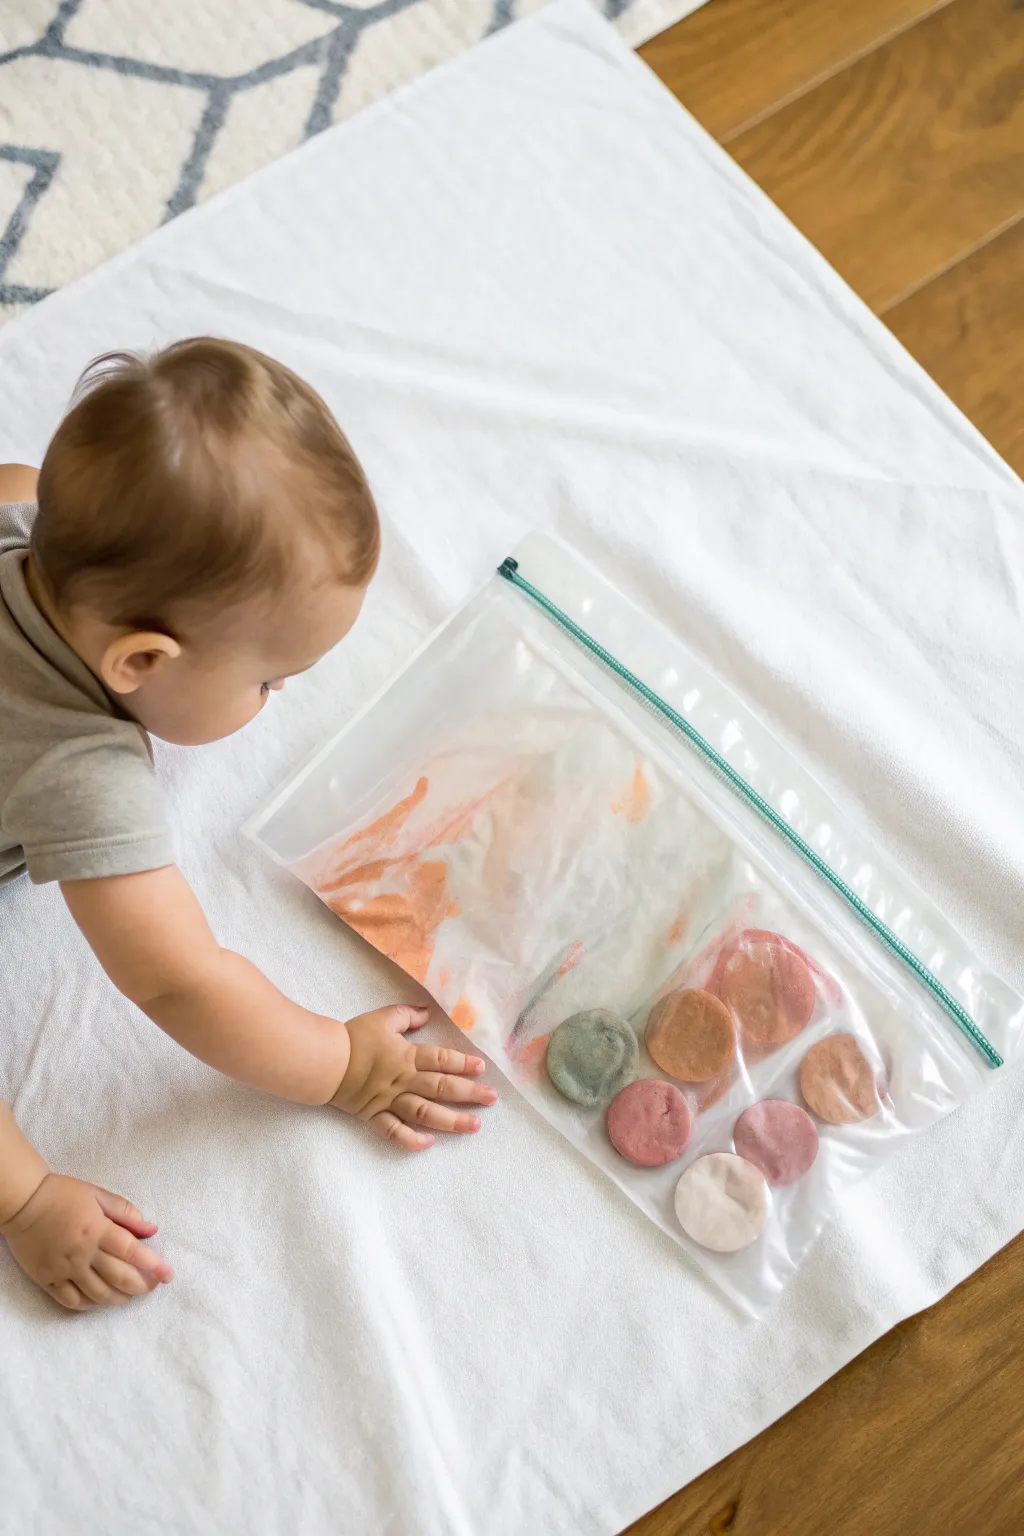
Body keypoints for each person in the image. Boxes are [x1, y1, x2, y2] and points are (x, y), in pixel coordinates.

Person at [0, 338, 496, 1313]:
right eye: (267, 681)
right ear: (138, 661)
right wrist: (339, 1064)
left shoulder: (25, 516)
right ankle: (22, 1203)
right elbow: (178, 979)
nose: (274, 698)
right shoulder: (78, 770)